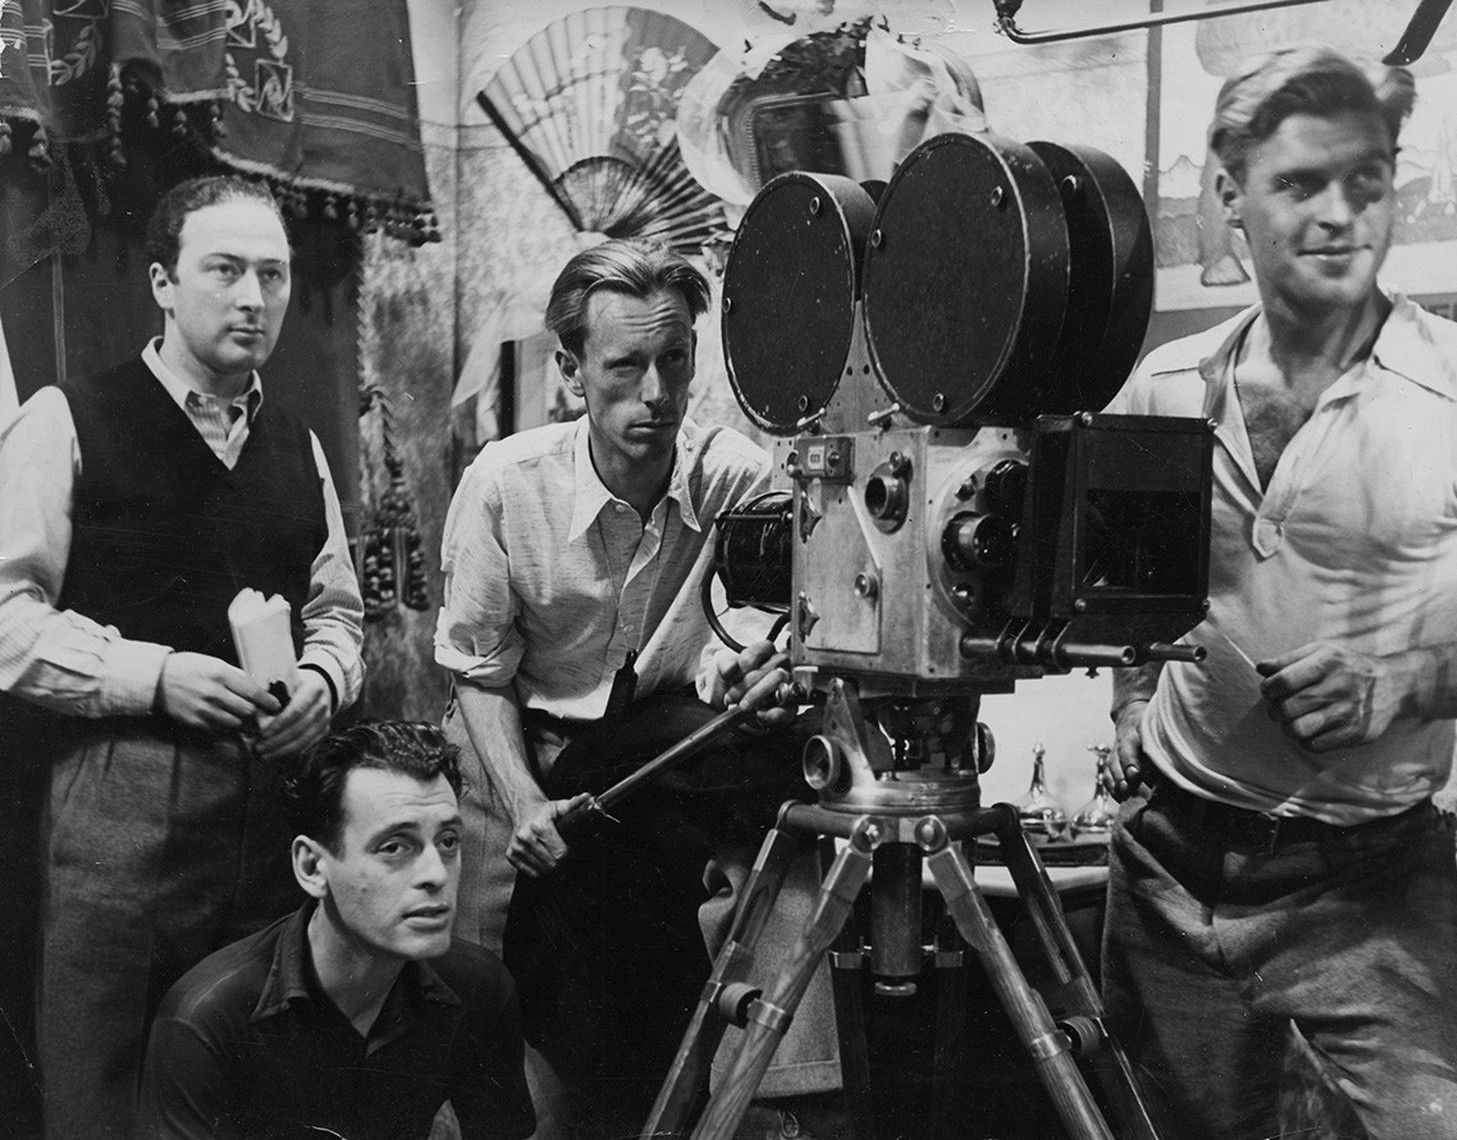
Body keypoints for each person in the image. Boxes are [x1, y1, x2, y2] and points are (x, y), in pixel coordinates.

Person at [1101, 46, 1457, 1139]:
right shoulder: (1164, 385)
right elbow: (1137, 591)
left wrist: (1409, 681)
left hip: (1371, 885)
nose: (1341, 216)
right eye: (1300, 184)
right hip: (1168, 870)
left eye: (1367, 182)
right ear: (1229, 196)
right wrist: (1129, 703)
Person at [435, 237, 836, 1134]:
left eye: (676, 360)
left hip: (648, 755)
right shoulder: (506, 485)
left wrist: (748, 672)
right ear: (572, 373)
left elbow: (742, 637)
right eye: (625, 366)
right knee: (495, 1036)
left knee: (642, 1030)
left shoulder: (736, 477)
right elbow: (477, 671)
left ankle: (768, 1104)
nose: (656, 392)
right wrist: (525, 803)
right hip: (513, 750)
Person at [0, 174, 364, 1138]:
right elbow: (4, 618)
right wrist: (155, 676)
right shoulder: (65, 419)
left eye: (273, 276)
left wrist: (323, 683)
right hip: (118, 810)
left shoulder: (299, 445)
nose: (254, 298)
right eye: (225, 270)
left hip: (276, 815)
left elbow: (338, 614)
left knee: (255, 1095)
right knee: (103, 1095)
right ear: (163, 283)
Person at [136, 720, 536, 1139]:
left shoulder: (480, 986)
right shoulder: (206, 1019)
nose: (436, 874)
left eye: (448, 841)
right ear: (312, 867)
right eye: (394, 847)